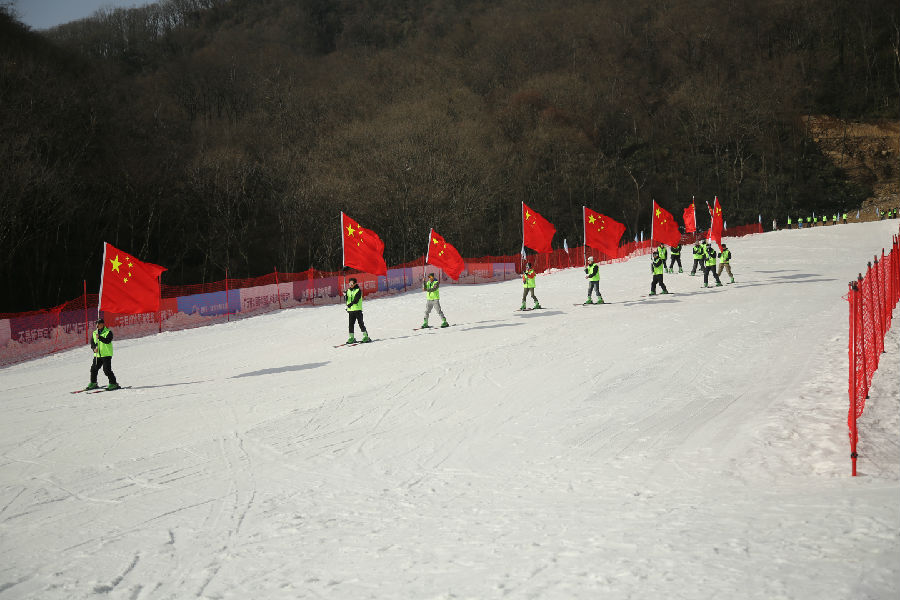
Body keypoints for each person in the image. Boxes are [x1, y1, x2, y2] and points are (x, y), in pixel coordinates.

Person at [86, 317, 120, 390]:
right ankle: (93, 383)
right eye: (97, 324)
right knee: (93, 369)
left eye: (99, 324)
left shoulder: (108, 332)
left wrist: (100, 337)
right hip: (97, 355)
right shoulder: (95, 333)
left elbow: (107, 341)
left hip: (106, 354)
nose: (97, 326)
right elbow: (92, 342)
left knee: (107, 370)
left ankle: (113, 383)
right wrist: (94, 348)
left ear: (103, 324)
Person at [344, 278, 371, 344]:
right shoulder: (348, 291)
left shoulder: (358, 290)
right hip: (351, 311)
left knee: (361, 323)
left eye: (352, 283)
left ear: (355, 283)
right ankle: (351, 337)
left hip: (357, 310)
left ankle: (366, 336)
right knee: (350, 324)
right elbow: (347, 300)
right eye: (349, 283)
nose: (350, 285)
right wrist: (345, 295)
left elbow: (356, 300)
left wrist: (349, 305)